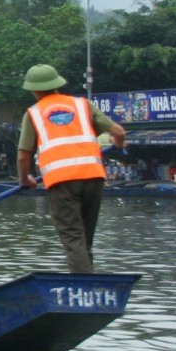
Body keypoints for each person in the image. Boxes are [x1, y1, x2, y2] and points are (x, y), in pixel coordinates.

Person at [18, 64, 125, 274]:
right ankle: (90, 283)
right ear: (57, 84)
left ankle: (83, 289)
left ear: (34, 90)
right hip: (93, 177)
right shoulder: (82, 104)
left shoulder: (33, 113)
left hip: (62, 181)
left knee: (73, 238)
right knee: (85, 238)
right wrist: (119, 144)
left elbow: (23, 155)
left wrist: (24, 180)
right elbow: (118, 132)